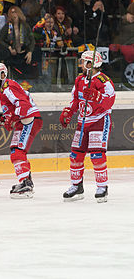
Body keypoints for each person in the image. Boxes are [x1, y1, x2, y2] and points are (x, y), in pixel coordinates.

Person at [60, 50, 115, 203]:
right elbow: (75, 99)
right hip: (83, 121)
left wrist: (97, 96)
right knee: (75, 155)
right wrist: (68, 112)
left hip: (99, 120)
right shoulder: (79, 80)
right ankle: (76, 186)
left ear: (91, 64)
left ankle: (102, 187)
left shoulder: (104, 81)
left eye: (83, 62)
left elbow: (110, 101)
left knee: (97, 155)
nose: (81, 65)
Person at [0, 62, 42, 199]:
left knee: (17, 151)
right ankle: (26, 180)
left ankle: (26, 184)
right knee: (15, 151)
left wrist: (10, 119)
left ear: (2, 74)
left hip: (28, 120)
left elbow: (22, 104)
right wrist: (0, 119)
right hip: (24, 121)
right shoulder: (5, 89)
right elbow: (13, 110)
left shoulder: (8, 86)